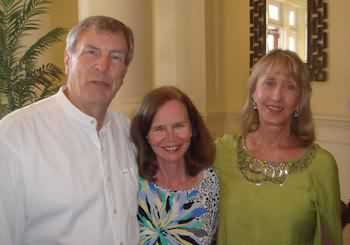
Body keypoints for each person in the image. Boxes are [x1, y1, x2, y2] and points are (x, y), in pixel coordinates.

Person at [0, 16, 139, 244]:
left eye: (116, 57)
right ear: (67, 60)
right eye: (91, 52)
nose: (102, 66)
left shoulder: (128, 133)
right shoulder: (15, 136)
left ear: (124, 72)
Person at [214, 49, 342, 244]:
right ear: (253, 93)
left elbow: (330, 239)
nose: (276, 96)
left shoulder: (322, 165)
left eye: (290, 87)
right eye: (269, 83)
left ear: (300, 101)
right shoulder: (221, 152)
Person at [130, 86, 219, 245]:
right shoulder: (131, 185)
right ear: (146, 135)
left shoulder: (210, 183)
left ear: (192, 128)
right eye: (159, 129)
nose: (171, 137)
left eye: (178, 126)